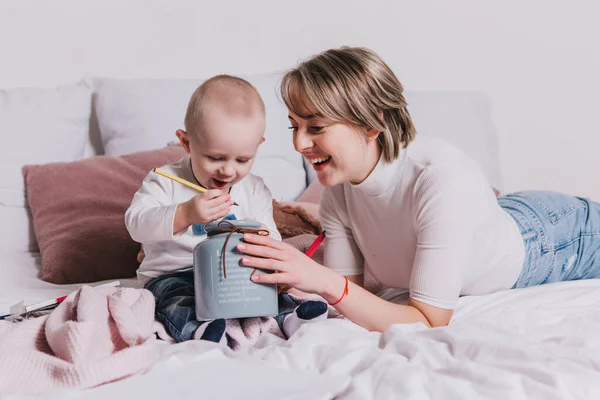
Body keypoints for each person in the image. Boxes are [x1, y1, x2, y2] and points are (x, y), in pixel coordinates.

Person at [236, 46, 600, 331]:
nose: (299, 144)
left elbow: (427, 320)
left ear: (371, 124)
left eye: (315, 127)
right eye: (293, 127)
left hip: (553, 237)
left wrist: (321, 279)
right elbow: (354, 296)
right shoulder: (338, 188)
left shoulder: (439, 180)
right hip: (504, 216)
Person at [125, 75, 327, 344]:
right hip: (175, 274)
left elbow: (271, 238)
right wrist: (185, 213)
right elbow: (136, 223)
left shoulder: (254, 189)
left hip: (236, 274)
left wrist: (273, 266)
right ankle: (198, 332)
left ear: (258, 147)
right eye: (215, 158)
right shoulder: (165, 180)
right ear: (187, 143)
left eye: (243, 159)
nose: (228, 170)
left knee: (269, 294)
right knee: (173, 300)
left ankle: (291, 319)